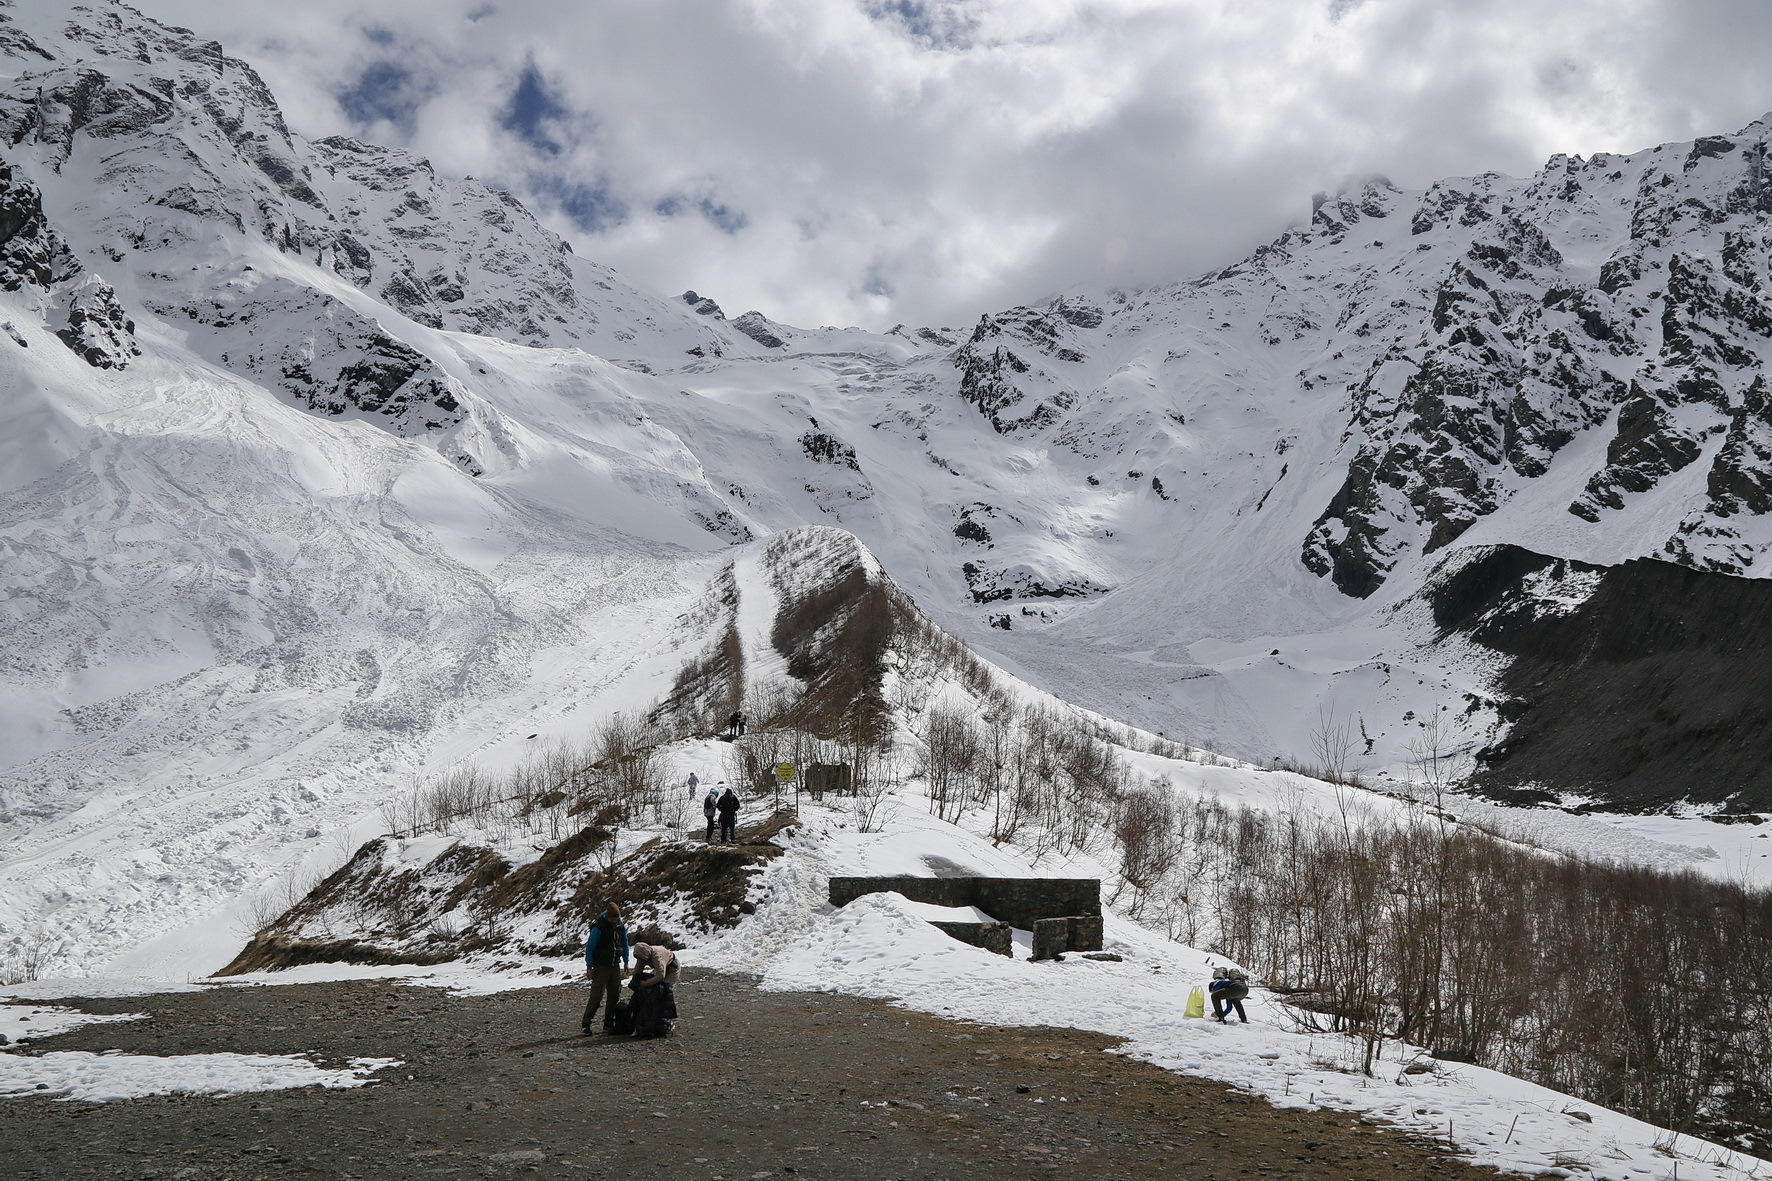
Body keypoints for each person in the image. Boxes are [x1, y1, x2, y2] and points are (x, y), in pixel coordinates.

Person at [580, 902, 630, 1035]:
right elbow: (590, 948)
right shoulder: (598, 927)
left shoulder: (620, 926)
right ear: (607, 916)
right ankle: (586, 1024)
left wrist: (626, 960)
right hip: (600, 966)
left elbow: (624, 942)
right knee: (596, 996)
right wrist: (589, 967)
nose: (614, 921)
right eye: (612, 918)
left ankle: (608, 1023)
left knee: (614, 995)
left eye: (616, 918)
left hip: (615, 965)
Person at [627, 942, 680, 1038]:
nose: (640, 960)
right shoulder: (642, 956)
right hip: (662, 967)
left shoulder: (656, 957)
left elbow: (660, 976)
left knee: (665, 992)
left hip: (672, 967)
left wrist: (645, 984)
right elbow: (637, 973)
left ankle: (665, 1021)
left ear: (645, 955)